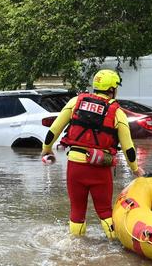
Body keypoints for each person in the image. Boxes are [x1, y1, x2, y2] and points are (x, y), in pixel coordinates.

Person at [41, 69, 145, 238]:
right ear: (112, 89)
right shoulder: (117, 112)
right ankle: (115, 247)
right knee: (105, 211)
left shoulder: (76, 102)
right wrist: (135, 169)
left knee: (77, 211)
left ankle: (76, 248)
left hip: (75, 165)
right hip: (100, 168)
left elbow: (54, 129)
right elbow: (129, 147)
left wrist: (46, 149)